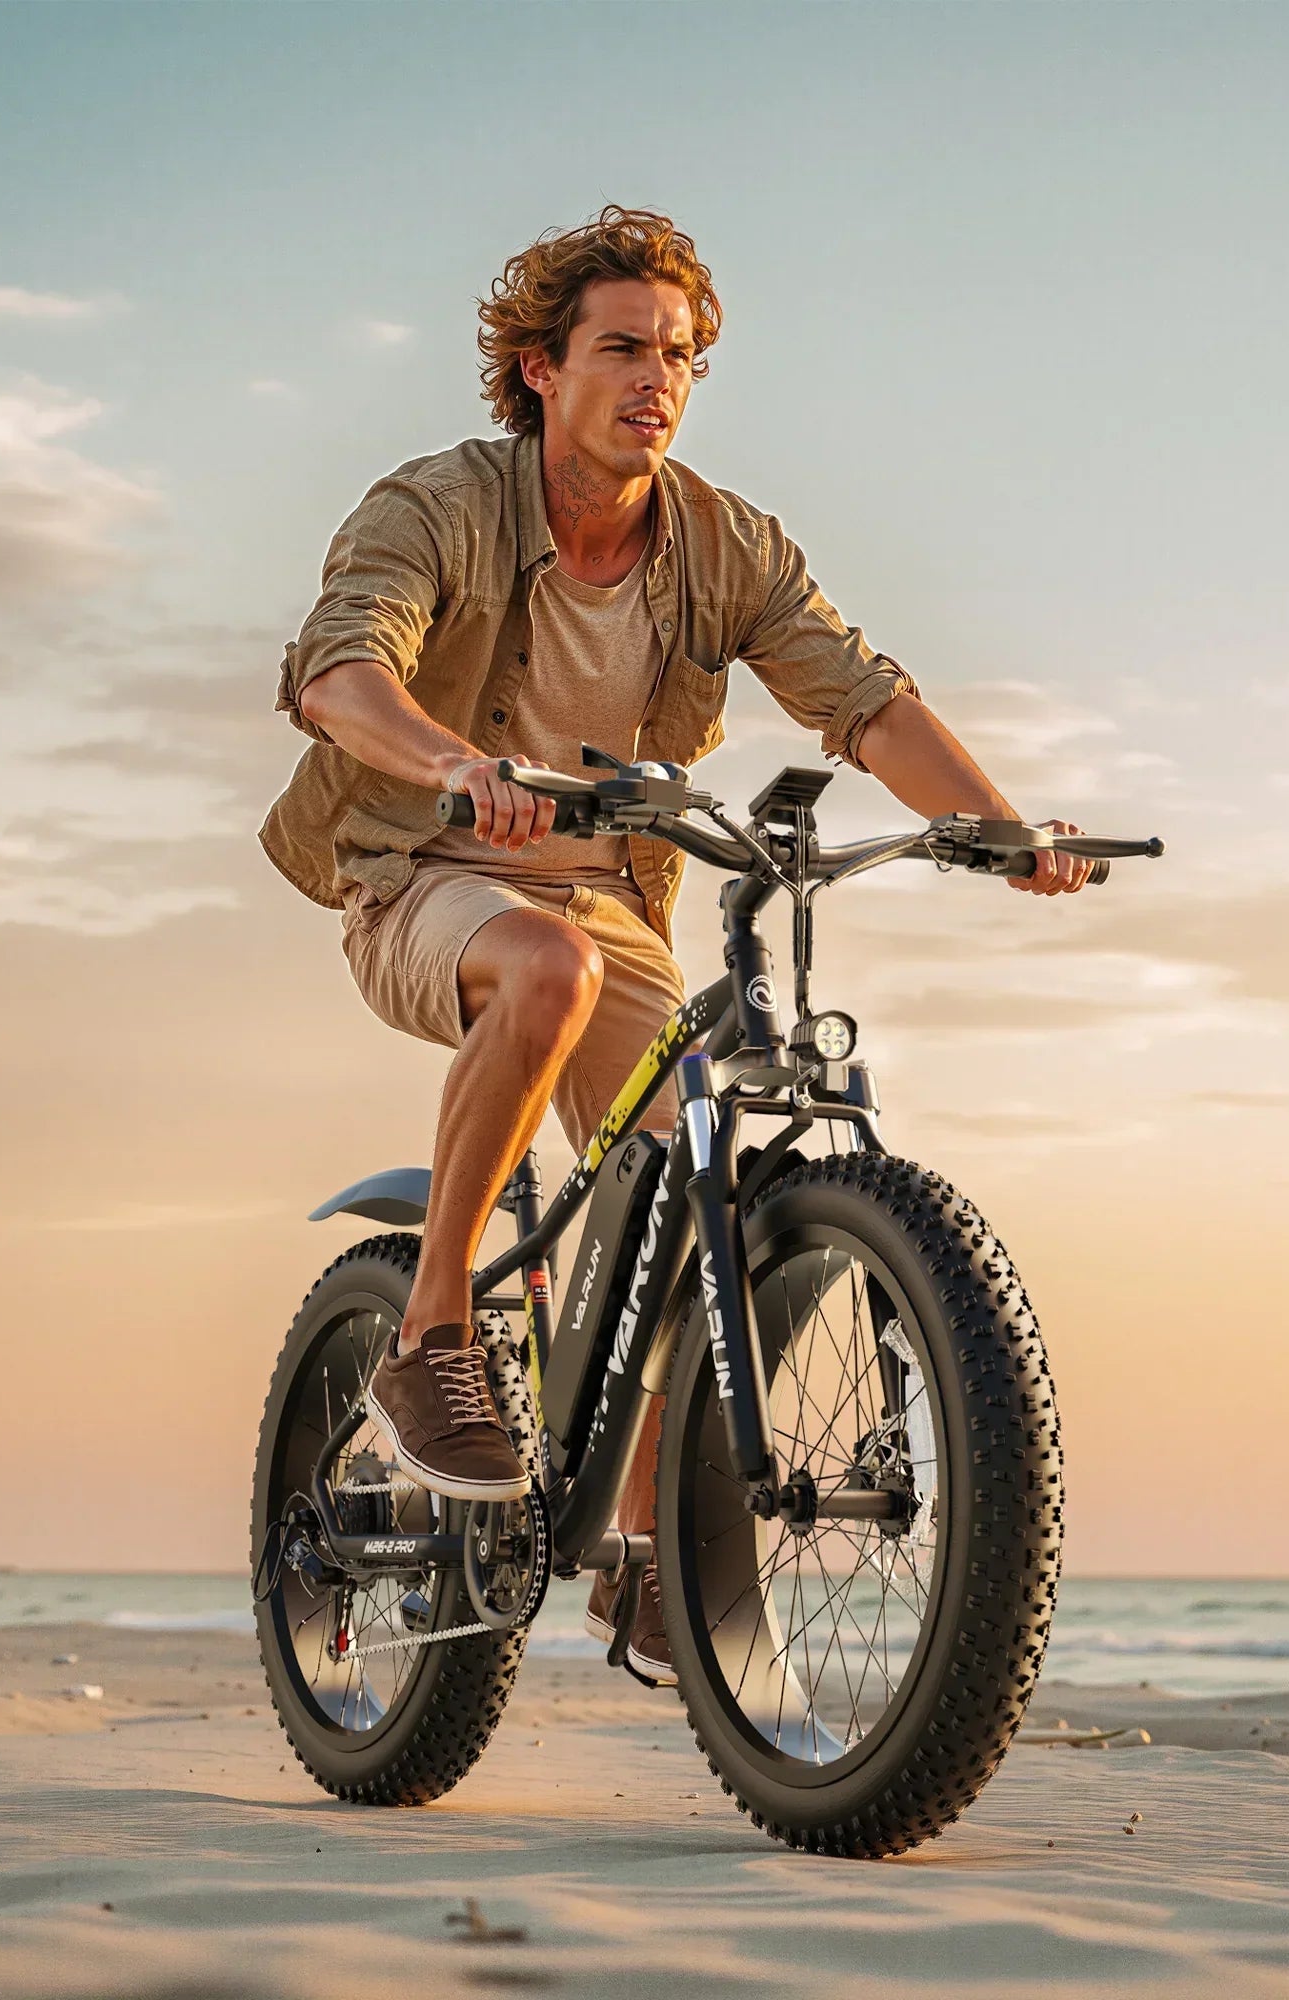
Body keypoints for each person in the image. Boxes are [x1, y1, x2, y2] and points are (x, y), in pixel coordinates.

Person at [260, 206, 1092, 1685]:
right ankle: (429, 1333)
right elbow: (341, 674)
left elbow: (865, 700)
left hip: (610, 897)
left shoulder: (724, 544)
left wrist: (1004, 829)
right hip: (421, 874)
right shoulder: (439, 506)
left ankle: (647, 1534)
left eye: (683, 356)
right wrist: (458, 766)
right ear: (538, 369)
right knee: (549, 973)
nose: (659, 380)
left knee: (725, 1144)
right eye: (625, 349)